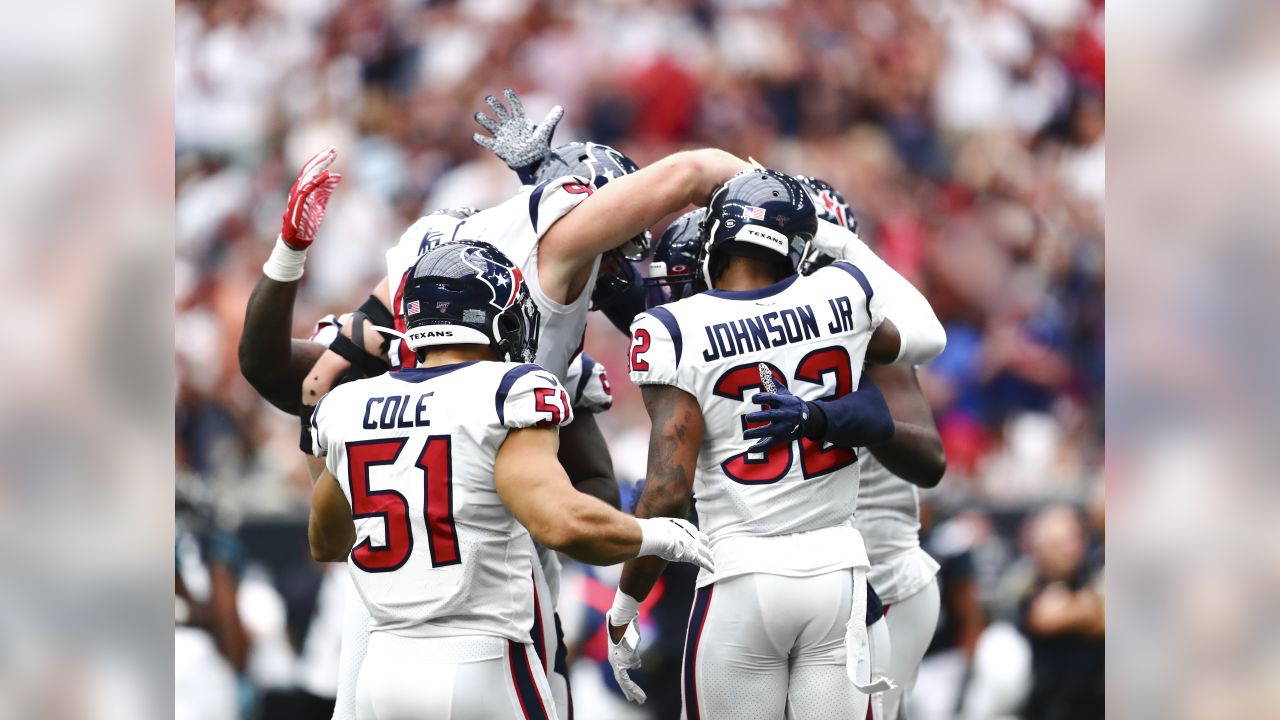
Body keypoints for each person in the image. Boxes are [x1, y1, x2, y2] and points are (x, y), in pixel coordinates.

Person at [307, 240, 714, 719]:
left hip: (382, 672)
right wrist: (664, 534)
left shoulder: (348, 406)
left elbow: (327, 541)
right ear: (492, 316)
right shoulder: (506, 391)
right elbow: (563, 525)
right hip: (479, 662)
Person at [606, 168, 947, 719]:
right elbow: (928, 336)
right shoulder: (842, 293)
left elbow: (668, 494)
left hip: (741, 574)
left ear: (715, 238)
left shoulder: (671, 330)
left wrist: (625, 604)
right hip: (840, 572)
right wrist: (842, 243)